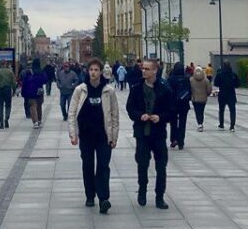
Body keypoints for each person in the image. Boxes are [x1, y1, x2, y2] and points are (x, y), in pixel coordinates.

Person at [68, 58, 120, 213]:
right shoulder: (80, 90)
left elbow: (115, 115)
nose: (93, 72)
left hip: (103, 135)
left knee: (103, 166)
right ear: (87, 71)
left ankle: (104, 198)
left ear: (101, 72)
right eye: (91, 70)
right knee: (88, 165)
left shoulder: (108, 91)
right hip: (86, 135)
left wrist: (114, 136)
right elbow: (72, 113)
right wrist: (73, 134)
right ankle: (90, 195)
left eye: (96, 70)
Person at [125, 58, 174, 209]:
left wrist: (160, 117)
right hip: (142, 133)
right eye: (143, 68)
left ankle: (160, 196)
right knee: (142, 164)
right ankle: (142, 190)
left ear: (155, 71)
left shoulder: (164, 89)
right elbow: (130, 108)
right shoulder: (136, 88)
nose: (143, 71)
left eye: (147, 69)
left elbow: (172, 112)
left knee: (161, 165)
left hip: (158, 133)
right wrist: (140, 115)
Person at [167, 62, 191, 149]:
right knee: (182, 123)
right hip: (184, 104)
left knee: (173, 123)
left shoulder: (171, 79)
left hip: (173, 104)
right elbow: (189, 90)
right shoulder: (186, 79)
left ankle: (173, 139)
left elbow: (168, 92)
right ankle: (181, 141)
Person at [215, 61, 238, 131]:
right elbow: (238, 84)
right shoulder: (233, 74)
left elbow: (216, 83)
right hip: (231, 94)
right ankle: (232, 126)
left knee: (221, 110)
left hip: (222, 94)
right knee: (232, 110)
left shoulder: (220, 74)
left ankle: (221, 125)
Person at [22, 58, 45, 128]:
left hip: (31, 91)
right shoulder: (41, 71)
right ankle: (40, 120)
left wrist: (24, 92)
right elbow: (45, 79)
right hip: (39, 91)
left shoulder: (29, 71)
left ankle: (35, 122)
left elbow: (25, 82)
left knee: (33, 107)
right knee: (39, 106)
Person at [0, 61, 16, 129]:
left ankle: (1, 123)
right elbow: (13, 82)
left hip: (0, 90)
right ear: (6, 64)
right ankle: (6, 117)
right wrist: (14, 91)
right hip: (7, 90)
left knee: (0, 106)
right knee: (8, 105)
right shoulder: (10, 72)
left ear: (0, 64)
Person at [190, 66, 212, 131]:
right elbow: (209, 90)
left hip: (195, 99)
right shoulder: (206, 80)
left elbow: (189, 89)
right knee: (201, 111)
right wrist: (207, 94)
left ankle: (199, 124)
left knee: (197, 112)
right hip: (203, 99)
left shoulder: (191, 80)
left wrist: (191, 95)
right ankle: (201, 123)